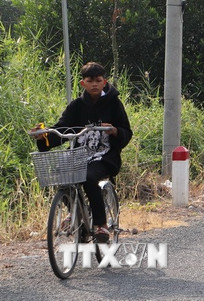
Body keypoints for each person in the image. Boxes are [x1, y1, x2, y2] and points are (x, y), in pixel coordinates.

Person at [32, 62, 132, 243]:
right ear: (82, 83)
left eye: (98, 80)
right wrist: (44, 136)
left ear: (104, 82)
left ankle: (100, 225)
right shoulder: (76, 106)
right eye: (90, 81)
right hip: (78, 156)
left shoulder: (114, 104)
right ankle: (75, 213)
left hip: (105, 156)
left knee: (89, 176)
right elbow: (62, 129)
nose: (94, 84)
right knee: (61, 175)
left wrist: (115, 131)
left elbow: (126, 131)